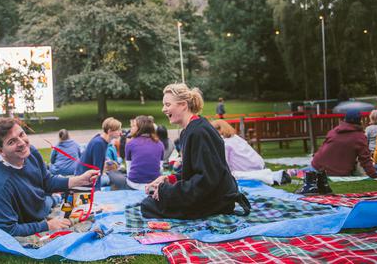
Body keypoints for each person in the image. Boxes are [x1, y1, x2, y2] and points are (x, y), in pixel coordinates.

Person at [142, 84, 249, 219]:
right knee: (151, 202)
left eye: (167, 104)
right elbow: (194, 171)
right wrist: (168, 179)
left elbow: (206, 181)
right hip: (209, 193)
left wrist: (166, 191)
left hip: (216, 200)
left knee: (148, 205)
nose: (163, 109)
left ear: (183, 105)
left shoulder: (199, 132)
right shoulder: (191, 130)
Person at [0, 117, 98, 236]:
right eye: (12, 142)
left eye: (21, 134)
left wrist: (80, 180)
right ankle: (55, 198)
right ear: (0, 151)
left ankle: (55, 198)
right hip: (32, 217)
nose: (22, 143)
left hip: (40, 203)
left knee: (53, 200)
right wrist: (47, 225)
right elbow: (7, 230)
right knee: (54, 201)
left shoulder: (30, 152)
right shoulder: (0, 183)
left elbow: (47, 181)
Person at [311, 110, 377, 178]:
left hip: (317, 165)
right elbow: (365, 159)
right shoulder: (360, 137)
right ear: (360, 121)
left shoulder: (333, 131)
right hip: (336, 172)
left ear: (345, 119)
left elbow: (323, 147)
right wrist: (374, 175)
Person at [74, 117, 123, 190]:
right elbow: (96, 170)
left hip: (83, 175)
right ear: (109, 131)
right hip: (85, 180)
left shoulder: (101, 140)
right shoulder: (99, 144)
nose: (121, 132)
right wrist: (97, 192)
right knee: (118, 180)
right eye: (118, 130)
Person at [125, 115, 164, 190]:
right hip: (154, 184)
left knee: (114, 175)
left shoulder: (130, 143)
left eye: (133, 126)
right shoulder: (160, 144)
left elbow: (128, 168)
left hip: (134, 184)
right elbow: (160, 168)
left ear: (140, 128)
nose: (131, 128)